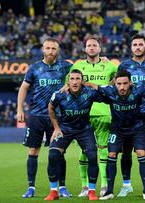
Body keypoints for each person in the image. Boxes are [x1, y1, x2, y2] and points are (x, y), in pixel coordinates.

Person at [85, 69, 145, 200]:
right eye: (119, 83)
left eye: (125, 83)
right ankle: (109, 191)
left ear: (130, 83)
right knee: (111, 154)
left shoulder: (138, 90)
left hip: (137, 129)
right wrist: (69, 85)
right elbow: (91, 85)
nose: (122, 87)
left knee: (142, 153)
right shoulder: (110, 90)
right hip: (117, 130)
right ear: (115, 84)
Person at [17, 38, 72, 198]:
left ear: (58, 50)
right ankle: (31, 188)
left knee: (59, 152)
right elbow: (23, 88)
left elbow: (83, 73)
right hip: (36, 116)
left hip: (58, 116)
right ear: (42, 49)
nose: (50, 51)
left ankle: (62, 187)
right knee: (33, 151)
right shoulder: (34, 68)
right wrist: (20, 108)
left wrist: (102, 59)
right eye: (47, 48)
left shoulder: (66, 66)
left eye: (53, 48)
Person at [68, 37, 118, 197]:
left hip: (104, 112)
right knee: (85, 150)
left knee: (103, 150)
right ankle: (85, 187)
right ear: (85, 49)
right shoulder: (77, 66)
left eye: (94, 45)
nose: (91, 48)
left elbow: (120, 81)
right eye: (89, 45)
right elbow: (68, 85)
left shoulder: (110, 66)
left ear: (99, 48)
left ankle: (104, 185)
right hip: (83, 114)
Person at [44, 69, 102, 201]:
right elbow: (50, 108)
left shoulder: (90, 93)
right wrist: (56, 128)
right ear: (68, 81)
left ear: (82, 81)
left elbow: (109, 96)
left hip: (84, 130)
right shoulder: (59, 95)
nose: (75, 82)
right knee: (53, 155)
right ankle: (54, 191)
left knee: (92, 156)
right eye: (72, 79)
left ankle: (91, 191)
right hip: (65, 129)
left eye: (77, 79)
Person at [117, 34, 145, 197]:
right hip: (129, 113)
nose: (137, 47)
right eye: (134, 44)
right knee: (126, 149)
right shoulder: (124, 65)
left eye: (140, 44)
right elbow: (116, 86)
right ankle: (127, 184)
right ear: (131, 47)